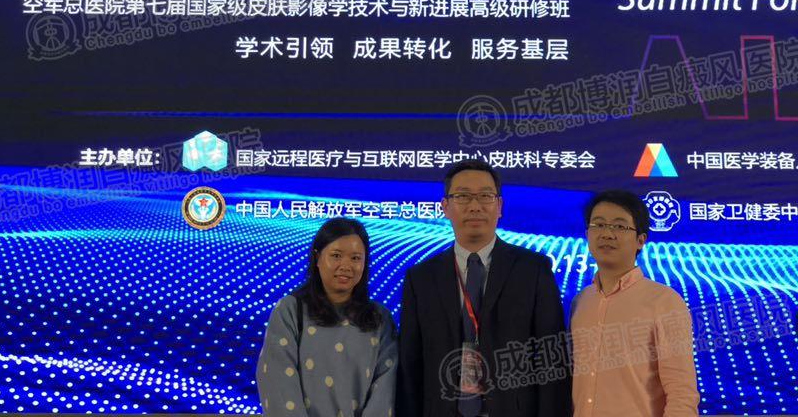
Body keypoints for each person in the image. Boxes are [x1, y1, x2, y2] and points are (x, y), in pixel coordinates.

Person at [397, 159, 571, 417]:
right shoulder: (421, 278)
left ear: (499, 206)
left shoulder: (533, 269)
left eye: (485, 196)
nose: (475, 206)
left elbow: (552, 359)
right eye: (463, 196)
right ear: (445, 207)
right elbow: (410, 364)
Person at [570, 190, 700, 416]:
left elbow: (682, 393)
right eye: (598, 225)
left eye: (619, 226)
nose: (607, 234)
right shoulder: (581, 302)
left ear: (641, 240)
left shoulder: (664, 302)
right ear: (587, 234)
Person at [257, 218, 397, 416]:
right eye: (336, 255)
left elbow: (386, 390)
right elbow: (277, 381)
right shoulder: (290, 310)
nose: (346, 265)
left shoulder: (380, 319)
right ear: (317, 258)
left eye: (355, 258)